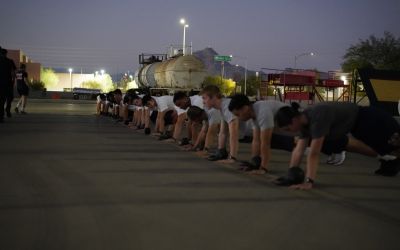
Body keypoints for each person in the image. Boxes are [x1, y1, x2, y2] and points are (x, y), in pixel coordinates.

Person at [274, 102, 400, 190]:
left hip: (371, 119)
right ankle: (391, 164)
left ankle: (392, 162)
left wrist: (309, 182)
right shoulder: (303, 125)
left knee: (395, 145)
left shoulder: (317, 118)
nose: (289, 132)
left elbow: (314, 153)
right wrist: (290, 175)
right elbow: (298, 150)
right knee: (384, 150)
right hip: (358, 126)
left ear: (294, 120)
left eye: (288, 128)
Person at [228, 94, 295, 174]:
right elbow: (256, 140)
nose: (238, 118)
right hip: (282, 129)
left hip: (293, 128)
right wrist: (253, 163)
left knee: (268, 141)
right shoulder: (253, 112)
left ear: (245, 108)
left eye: (238, 115)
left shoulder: (263, 112)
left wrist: (263, 168)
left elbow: (265, 143)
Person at [201, 85, 239, 163]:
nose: (203, 102)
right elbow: (223, 133)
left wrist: (232, 158)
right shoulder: (222, 107)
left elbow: (234, 134)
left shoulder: (227, 107)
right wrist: (220, 152)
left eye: (205, 98)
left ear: (214, 97)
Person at [1, 49, 16, 118]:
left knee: (2, 99)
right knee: (9, 98)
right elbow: (13, 72)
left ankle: (1, 116)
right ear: (6, 54)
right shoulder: (10, 61)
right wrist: (13, 81)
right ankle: (7, 111)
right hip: (8, 83)